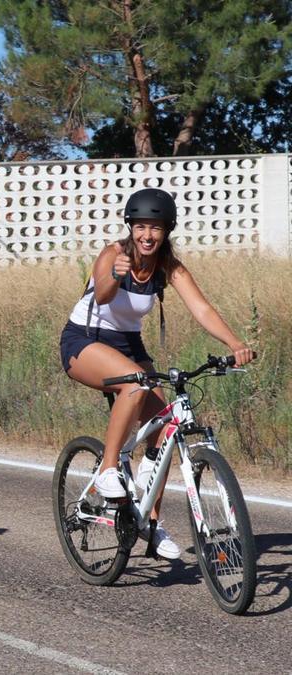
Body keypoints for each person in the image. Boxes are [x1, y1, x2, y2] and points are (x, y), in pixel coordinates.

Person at [59, 188, 256, 559]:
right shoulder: (112, 254)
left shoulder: (169, 267)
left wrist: (235, 344)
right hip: (84, 341)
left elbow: (202, 309)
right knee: (135, 384)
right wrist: (115, 276)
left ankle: (149, 522)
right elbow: (101, 296)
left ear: (167, 231)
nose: (148, 235)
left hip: (129, 346)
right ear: (130, 227)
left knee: (166, 428)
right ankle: (107, 470)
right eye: (141, 227)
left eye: (156, 228)